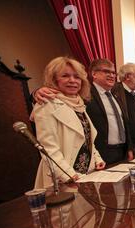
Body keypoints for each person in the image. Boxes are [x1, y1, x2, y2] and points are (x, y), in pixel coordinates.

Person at [33, 59, 134, 165]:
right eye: (106, 71)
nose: (111, 75)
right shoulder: (86, 95)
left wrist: (129, 148)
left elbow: (124, 122)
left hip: (111, 156)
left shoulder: (112, 94)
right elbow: (48, 147)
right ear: (94, 74)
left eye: (113, 73)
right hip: (78, 163)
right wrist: (36, 92)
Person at [32, 57, 105, 188]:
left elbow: (87, 139)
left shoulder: (79, 103)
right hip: (64, 178)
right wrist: (69, 174)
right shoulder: (46, 104)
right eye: (65, 76)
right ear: (54, 80)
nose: (72, 80)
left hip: (87, 174)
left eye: (77, 77)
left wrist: (97, 158)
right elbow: (48, 149)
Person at [112, 63, 135, 157]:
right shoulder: (116, 91)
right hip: (126, 148)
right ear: (127, 77)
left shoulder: (133, 94)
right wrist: (129, 147)